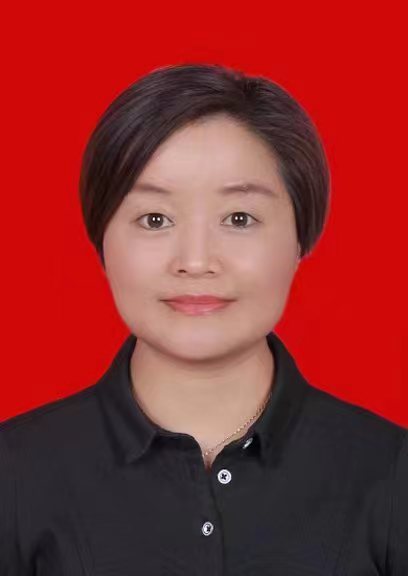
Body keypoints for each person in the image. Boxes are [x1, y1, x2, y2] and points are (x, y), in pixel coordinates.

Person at [0, 63, 407, 574]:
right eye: (155, 219)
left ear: (300, 238)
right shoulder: (15, 472)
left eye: (239, 218)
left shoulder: (390, 472)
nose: (195, 261)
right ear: (102, 241)